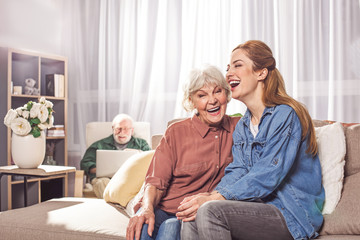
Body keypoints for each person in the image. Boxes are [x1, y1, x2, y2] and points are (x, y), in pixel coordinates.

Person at [179, 40, 325, 240]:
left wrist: (215, 199)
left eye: (238, 65)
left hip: (292, 213)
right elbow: (237, 170)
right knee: (193, 216)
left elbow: (268, 173)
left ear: (261, 73)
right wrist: (210, 196)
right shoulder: (243, 127)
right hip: (258, 207)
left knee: (210, 211)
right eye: (228, 68)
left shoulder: (286, 115)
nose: (229, 73)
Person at [126, 65, 241, 240]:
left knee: (171, 228)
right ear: (191, 101)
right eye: (202, 95)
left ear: (227, 94)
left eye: (218, 92)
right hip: (164, 210)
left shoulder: (240, 128)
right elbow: (155, 183)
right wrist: (147, 209)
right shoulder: (176, 132)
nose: (212, 100)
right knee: (143, 226)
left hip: (197, 214)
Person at [81, 113, 151, 198]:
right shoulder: (99, 145)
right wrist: (102, 170)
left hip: (130, 179)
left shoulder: (141, 144)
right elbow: (84, 164)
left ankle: (118, 205)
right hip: (105, 179)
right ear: (113, 129)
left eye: (126, 129)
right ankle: (116, 206)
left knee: (138, 184)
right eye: (118, 129)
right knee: (102, 183)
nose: (121, 132)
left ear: (132, 131)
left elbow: (151, 162)